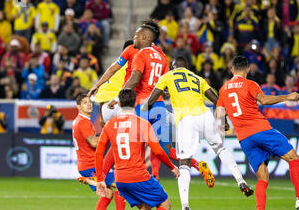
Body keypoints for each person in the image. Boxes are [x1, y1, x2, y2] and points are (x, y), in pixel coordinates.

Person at [87, 22, 209, 185]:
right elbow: (165, 84)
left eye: (137, 35)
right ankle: (195, 163)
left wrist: (112, 94)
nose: (134, 38)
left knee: (120, 140)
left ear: (144, 37)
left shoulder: (135, 52)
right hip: (158, 105)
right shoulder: (162, 56)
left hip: (137, 104)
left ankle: (104, 175)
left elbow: (118, 71)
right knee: (164, 148)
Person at [216, 56, 299, 210]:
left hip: (244, 138)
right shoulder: (250, 84)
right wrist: (287, 96)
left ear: (232, 70)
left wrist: (225, 123)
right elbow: (263, 100)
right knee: (293, 158)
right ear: (247, 70)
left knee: (262, 176)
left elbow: (219, 116)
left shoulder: (223, 89)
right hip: (261, 130)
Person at [144, 57, 253, 210]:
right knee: (220, 148)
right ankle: (240, 181)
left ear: (173, 67)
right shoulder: (198, 78)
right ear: (186, 67)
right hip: (205, 116)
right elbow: (217, 99)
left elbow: (151, 99)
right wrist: (224, 119)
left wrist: (144, 109)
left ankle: (185, 206)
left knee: (184, 163)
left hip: (186, 120)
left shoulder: (168, 76)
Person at [95, 89, 180, 210]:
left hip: (120, 180)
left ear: (119, 104)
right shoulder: (142, 123)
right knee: (165, 204)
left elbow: (99, 152)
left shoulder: (110, 124)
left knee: (145, 207)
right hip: (138, 176)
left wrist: (100, 179)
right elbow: (157, 149)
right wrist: (171, 166)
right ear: (135, 103)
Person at [72, 94, 135, 210]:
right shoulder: (83, 122)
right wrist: (108, 131)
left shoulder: (78, 121)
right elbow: (94, 143)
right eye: (84, 102)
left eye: (89, 102)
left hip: (87, 165)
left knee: (108, 193)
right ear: (78, 107)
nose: (89, 104)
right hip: (91, 165)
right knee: (120, 184)